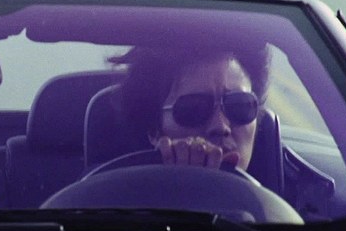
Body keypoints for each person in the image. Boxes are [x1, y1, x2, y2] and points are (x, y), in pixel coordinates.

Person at [109, 46, 271, 172]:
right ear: (154, 131)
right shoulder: (123, 198)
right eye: (194, 109)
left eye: (240, 106)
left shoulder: (281, 197)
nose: (221, 127)